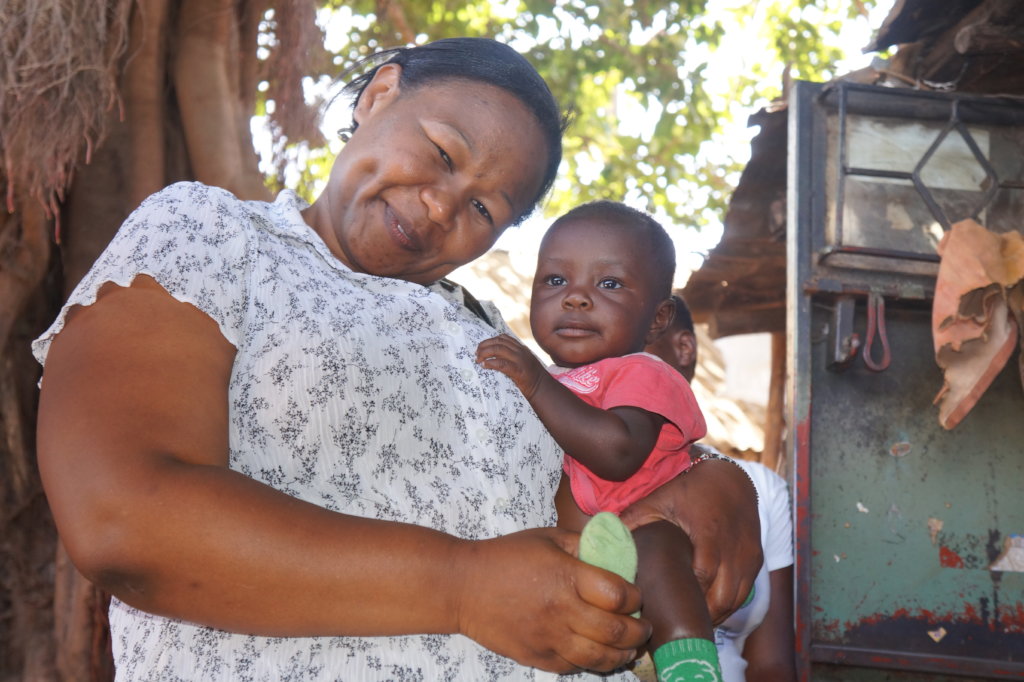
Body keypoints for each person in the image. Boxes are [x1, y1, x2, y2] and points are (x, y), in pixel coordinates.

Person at [33, 37, 761, 681]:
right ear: (380, 95)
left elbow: (596, 526)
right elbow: (123, 517)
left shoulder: (498, 339)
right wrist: (464, 587)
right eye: (444, 155)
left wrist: (713, 484)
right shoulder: (215, 236)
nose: (445, 206)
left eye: (485, 210)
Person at [476, 202, 722, 680]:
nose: (576, 298)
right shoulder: (552, 379)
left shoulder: (644, 372)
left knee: (658, 548)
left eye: (608, 284)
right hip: (579, 562)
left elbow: (617, 452)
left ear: (658, 318)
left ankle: (689, 663)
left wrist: (534, 383)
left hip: (641, 530)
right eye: (554, 280)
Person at [646, 295, 797, 682]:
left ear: (683, 349)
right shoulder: (568, 475)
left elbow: (771, 663)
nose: (614, 369)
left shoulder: (761, 490)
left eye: (635, 349)